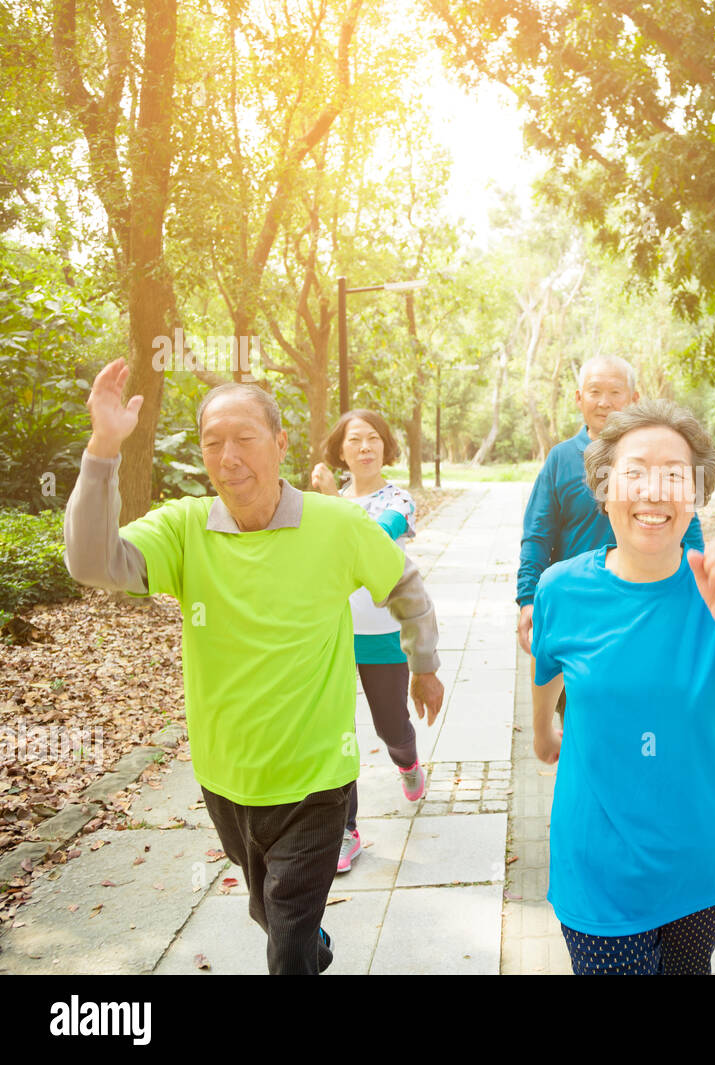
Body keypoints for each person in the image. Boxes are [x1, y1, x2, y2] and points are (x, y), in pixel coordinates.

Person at [63, 360, 444, 974]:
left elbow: (405, 583)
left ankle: (302, 947)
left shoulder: (337, 525)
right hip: (227, 777)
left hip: (317, 777)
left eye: (245, 438)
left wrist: (422, 664)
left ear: (281, 443)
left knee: (286, 935)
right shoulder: (185, 529)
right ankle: (311, 944)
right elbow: (91, 563)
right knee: (272, 913)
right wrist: (104, 448)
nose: (228, 455)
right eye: (213, 442)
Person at [530, 399, 715, 975]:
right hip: (597, 865)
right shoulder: (561, 589)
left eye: (674, 475)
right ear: (603, 487)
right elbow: (548, 667)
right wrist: (542, 731)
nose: (654, 492)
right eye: (634, 472)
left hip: (703, 858)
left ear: (696, 492)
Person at [516, 354, 704, 658]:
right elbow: (538, 535)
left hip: (653, 605)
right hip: (579, 607)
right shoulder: (560, 459)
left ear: (634, 398)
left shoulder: (661, 453)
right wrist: (527, 599)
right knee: (575, 700)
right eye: (594, 392)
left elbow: (688, 527)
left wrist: (701, 591)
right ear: (579, 398)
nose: (605, 402)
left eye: (615, 393)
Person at [311, 409, 425, 874]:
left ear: (385, 447)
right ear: (341, 451)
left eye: (373, 438)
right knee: (338, 734)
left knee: (390, 727)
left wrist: (327, 503)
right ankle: (346, 831)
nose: (364, 447)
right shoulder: (323, 504)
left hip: (383, 634)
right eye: (354, 440)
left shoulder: (399, 501)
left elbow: (371, 541)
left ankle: (408, 761)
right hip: (333, 633)